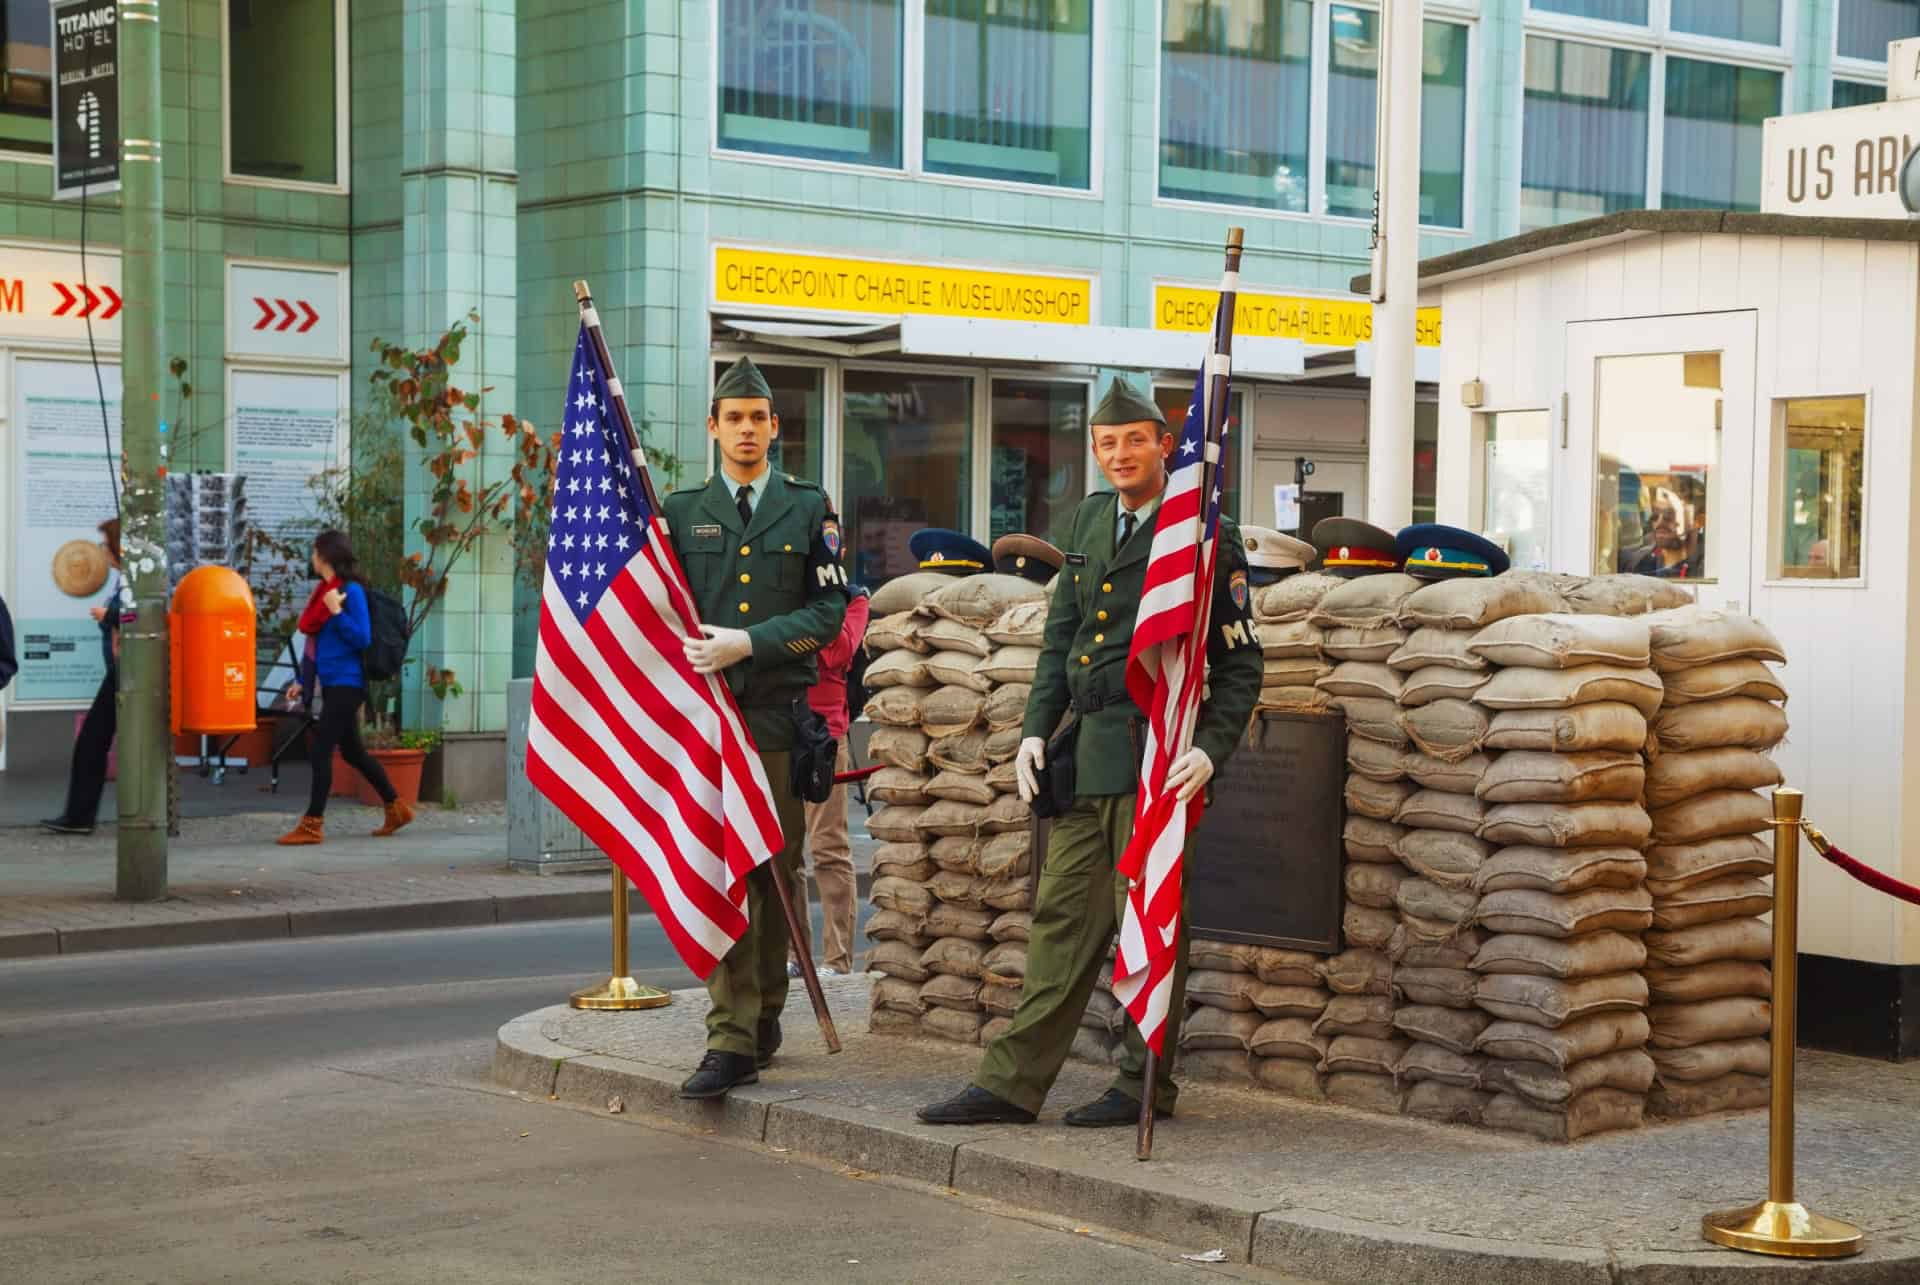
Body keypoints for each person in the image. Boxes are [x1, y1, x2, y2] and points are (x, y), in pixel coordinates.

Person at [917, 377, 1262, 1129]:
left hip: (1156, 757)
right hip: (1091, 755)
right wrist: (1036, 727)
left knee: (1150, 921)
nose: (1120, 453)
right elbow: (1060, 641)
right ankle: (1011, 1083)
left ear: (1165, 444)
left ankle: (1143, 1086)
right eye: (1107, 443)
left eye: (1135, 438)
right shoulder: (1087, 518)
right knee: (1060, 921)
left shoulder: (1202, 531)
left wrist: (1208, 747)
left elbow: (1240, 664)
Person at [664, 355, 850, 1101]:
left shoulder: (808, 509)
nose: (746, 430)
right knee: (723, 870)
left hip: (775, 721)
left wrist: (751, 642)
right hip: (707, 724)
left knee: (773, 872)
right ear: (713, 428)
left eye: (758, 418)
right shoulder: (680, 511)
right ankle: (731, 1034)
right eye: (732, 418)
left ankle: (764, 1013)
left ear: (776, 428)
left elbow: (830, 613)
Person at [275, 530, 414, 845]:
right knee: (353, 752)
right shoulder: (322, 593)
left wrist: (337, 612)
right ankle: (396, 807)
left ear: (325, 555)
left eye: (314, 552)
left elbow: (362, 637)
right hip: (333, 683)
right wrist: (302, 681)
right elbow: (313, 645)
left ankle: (312, 824)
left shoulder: (350, 592)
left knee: (322, 750)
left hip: (348, 684)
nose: (311, 557)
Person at [788, 574, 869, 980]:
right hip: (780, 728)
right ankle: (795, 953)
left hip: (825, 735)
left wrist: (788, 634)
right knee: (785, 851)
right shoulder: (785, 588)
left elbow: (837, 652)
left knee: (827, 847)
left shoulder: (851, 600)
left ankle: (837, 959)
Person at [42, 519, 131, 835]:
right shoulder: (123, 580)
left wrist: (107, 616)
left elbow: (144, 616)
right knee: (95, 740)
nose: (103, 552)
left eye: (106, 544)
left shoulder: (136, 580)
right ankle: (79, 814)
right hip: (122, 672)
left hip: (130, 673)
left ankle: (81, 815)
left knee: (93, 740)